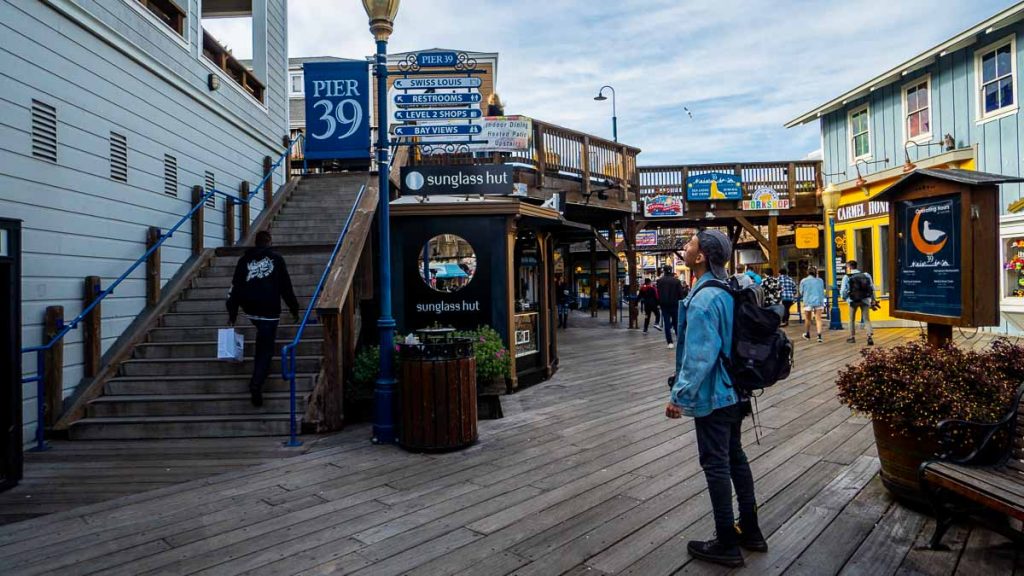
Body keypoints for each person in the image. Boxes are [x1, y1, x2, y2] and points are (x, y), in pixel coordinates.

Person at [666, 230, 764, 568]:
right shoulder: (724, 290)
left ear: (703, 256)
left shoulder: (705, 299)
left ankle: (725, 540)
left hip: (715, 395)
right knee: (735, 457)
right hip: (736, 391)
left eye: (691, 244)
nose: (686, 247)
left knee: (716, 464)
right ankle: (750, 530)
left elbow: (699, 357)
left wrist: (678, 396)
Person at [227, 231, 299, 407]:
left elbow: (236, 287)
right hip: (270, 310)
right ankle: (256, 384)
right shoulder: (277, 260)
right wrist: (294, 308)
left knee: (263, 336)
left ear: (256, 242)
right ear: (269, 242)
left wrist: (233, 313)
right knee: (265, 350)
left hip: (251, 309)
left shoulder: (244, 260)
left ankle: (257, 379)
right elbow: (285, 286)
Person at [840, 260, 875, 346]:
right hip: (865, 299)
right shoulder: (866, 275)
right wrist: (873, 299)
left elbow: (843, 290)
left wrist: (844, 298)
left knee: (851, 319)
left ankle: (852, 337)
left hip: (853, 300)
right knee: (866, 319)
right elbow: (872, 288)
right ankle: (869, 336)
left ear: (849, 267)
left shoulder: (847, 277)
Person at [657, 265, 687, 349]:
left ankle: (670, 342)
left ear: (664, 271)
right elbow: (680, 294)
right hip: (675, 304)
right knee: (676, 322)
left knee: (667, 323)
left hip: (664, 305)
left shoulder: (660, 281)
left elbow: (658, 293)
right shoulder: (676, 281)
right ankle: (679, 340)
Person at [799, 266, 826, 343]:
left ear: (807, 272)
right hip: (819, 301)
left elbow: (801, 292)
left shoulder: (803, 281)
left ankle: (807, 334)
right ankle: (819, 336)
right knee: (818, 319)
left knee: (808, 319)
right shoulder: (820, 280)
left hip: (808, 301)